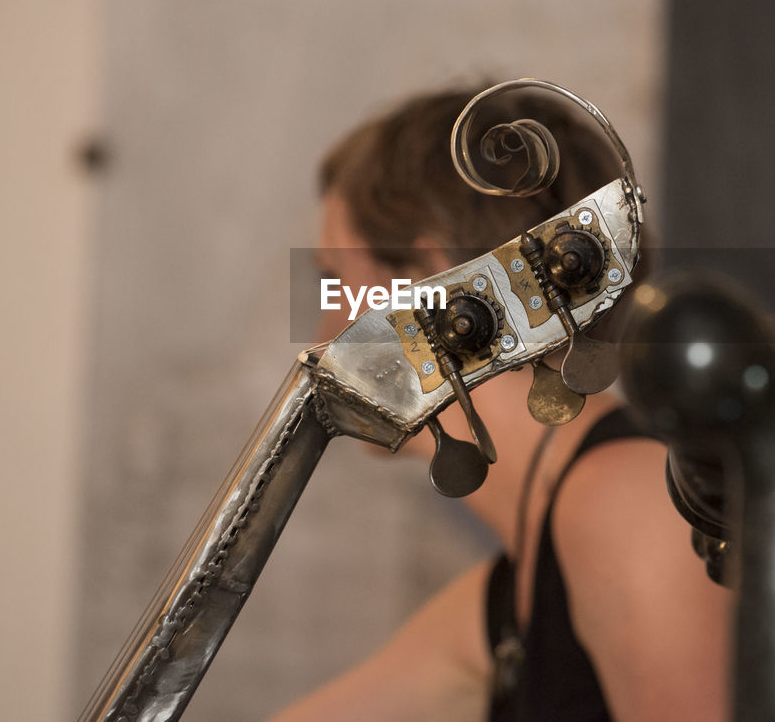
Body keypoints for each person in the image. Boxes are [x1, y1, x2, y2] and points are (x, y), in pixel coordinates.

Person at [274, 86, 732, 722]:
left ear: (431, 280)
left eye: (337, 282)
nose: (322, 334)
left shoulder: (630, 511)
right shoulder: (518, 584)